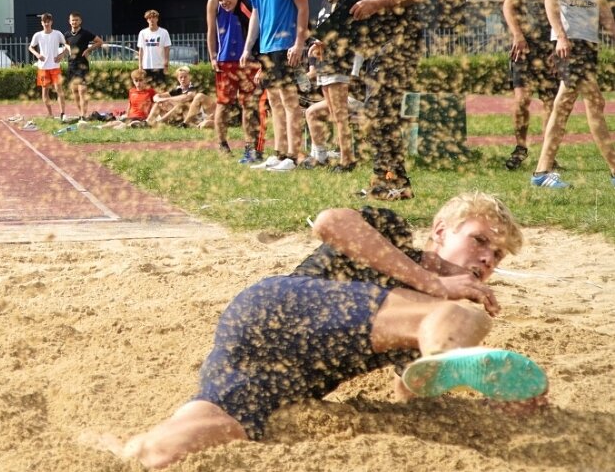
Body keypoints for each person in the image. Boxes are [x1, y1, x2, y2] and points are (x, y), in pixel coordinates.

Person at [99, 191, 547, 469]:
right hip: (281, 307)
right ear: (440, 231)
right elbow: (330, 221)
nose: (488, 258)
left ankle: (114, 454)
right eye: (480, 240)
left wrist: (503, 401)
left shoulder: (416, 328)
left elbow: (414, 391)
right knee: (460, 315)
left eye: (498, 256)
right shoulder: (392, 237)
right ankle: (454, 354)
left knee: (181, 445)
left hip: (283, 369)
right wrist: (433, 283)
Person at [325, 0, 425, 199]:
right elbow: (347, 18)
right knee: (380, 112)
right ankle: (396, 181)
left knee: (379, 108)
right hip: (372, 49)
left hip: (400, 41)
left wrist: (378, 3)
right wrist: (324, 42)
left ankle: (387, 180)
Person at [531, 0, 615, 189]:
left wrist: (611, 27)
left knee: (564, 105)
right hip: (570, 40)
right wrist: (561, 36)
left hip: (589, 40)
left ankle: (541, 173)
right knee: (593, 103)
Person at [240, 0, 309, 172]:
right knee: (274, 102)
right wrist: (248, 48)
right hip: (267, 48)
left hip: (286, 45)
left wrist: (299, 43)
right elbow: (255, 14)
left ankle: (294, 155)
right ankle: (280, 154)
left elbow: (303, 7)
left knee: (290, 101)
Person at [502, 0, 566, 171]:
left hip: (553, 48)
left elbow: (569, 13)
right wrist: (518, 35)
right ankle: (520, 147)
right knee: (521, 100)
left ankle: (548, 155)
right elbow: (507, 6)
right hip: (525, 47)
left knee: (551, 102)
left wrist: (560, 42)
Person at [301, 0, 359, 172]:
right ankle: (320, 156)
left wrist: (322, 44)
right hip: (325, 68)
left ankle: (347, 160)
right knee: (312, 112)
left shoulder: (344, 5)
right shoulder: (325, 6)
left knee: (339, 115)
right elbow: (319, 38)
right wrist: (314, 63)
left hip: (338, 67)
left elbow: (348, 37)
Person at [207, 0, 263, 157]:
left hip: (247, 62)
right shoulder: (216, 8)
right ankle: (222, 143)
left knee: (248, 104)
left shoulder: (247, 7)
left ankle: (250, 145)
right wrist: (213, 56)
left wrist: (260, 60)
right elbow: (210, 31)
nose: (224, 1)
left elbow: (259, 31)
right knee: (223, 104)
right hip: (225, 62)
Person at [64, 11, 103, 122]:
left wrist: (88, 50)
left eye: (76, 20)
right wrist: (67, 48)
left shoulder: (85, 33)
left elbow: (100, 42)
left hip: (82, 66)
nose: (74, 22)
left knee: (82, 91)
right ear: (69, 21)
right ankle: (80, 114)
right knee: (75, 91)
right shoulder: (67, 34)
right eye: (72, 20)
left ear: (80, 21)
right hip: (71, 66)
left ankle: (83, 115)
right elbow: (65, 43)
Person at [29, 13, 69, 120]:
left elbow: (67, 45)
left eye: (48, 21)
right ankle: (50, 113)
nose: (46, 23)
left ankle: (62, 114)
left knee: (59, 90)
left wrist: (62, 55)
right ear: (41, 23)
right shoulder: (38, 35)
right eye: (44, 21)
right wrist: (37, 55)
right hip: (43, 67)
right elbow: (31, 47)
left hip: (55, 66)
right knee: (45, 91)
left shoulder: (57, 34)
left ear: (51, 22)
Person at [137, 10, 172, 90]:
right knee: (147, 89)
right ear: (147, 20)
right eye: (149, 18)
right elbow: (141, 50)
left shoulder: (164, 32)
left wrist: (166, 63)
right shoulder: (143, 33)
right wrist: (140, 65)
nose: (151, 20)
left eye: (153, 17)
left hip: (159, 66)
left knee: (160, 88)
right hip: (146, 65)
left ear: (157, 19)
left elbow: (167, 48)